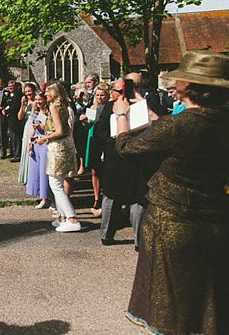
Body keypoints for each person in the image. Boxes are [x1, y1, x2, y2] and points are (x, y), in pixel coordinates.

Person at [113, 51, 229, 335]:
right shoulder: (219, 122)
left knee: (172, 305)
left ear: (190, 87)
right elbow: (177, 131)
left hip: (172, 223)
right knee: (208, 300)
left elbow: (127, 148)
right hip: (216, 219)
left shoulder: (177, 126)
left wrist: (121, 118)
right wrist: (151, 113)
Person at [95, 78, 145, 250]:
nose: (114, 94)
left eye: (116, 91)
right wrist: (112, 142)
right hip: (115, 158)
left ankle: (139, 240)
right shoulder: (109, 107)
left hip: (136, 158)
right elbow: (100, 131)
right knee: (110, 195)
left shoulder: (142, 105)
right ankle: (106, 235)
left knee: (137, 198)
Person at [37, 81, 81, 232]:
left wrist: (44, 138)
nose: (45, 94)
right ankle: (62, 217)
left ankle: (72, 218)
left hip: (58, 148)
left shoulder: (54, 106)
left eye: (48, 92)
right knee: (59, 183)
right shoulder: (64, 106)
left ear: (54, 93)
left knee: (55, 184)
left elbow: (59, 131)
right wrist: (43, 128)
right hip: (66, 146)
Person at [80, 82, 110, 215]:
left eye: (102, 95)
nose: (99, 97)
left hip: (105, 140)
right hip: (93, 140)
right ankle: (96, 197)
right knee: (94, 171)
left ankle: (106, 197)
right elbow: (89, 125)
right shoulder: (92, 108)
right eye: (97, 95)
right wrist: (84, 121)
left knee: (106, 171)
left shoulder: (111, 108)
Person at [26, 91, 51, 208]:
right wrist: (29, 144)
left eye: (40, 99)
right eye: (36, 100)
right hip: (36, 143)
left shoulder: (49, 112)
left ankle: (47, 197)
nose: (38, 102)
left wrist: (40, 126)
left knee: (44, 171)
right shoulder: (35, 112)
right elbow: (31, 129)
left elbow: (51, 129)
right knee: (36, 171)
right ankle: (41, 196)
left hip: (45, 142)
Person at [17, 83, 37, 183]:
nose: (28, 93)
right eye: (26, 92)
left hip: (36, 127)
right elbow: (20, 117)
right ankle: (27, 176)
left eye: (29, 91)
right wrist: (22, 105)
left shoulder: (38, 101)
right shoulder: (25, 102)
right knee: (26, 149)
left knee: (34, 150)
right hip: (27, 126)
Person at [5, 81, 24, 162]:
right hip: (10, 119)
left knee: (16, 136)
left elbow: (15, 106)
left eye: (12, 86)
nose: (10, 87)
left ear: (15, 86)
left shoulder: (18, 95)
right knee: (12, 136)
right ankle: (13, 152)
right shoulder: (10, 95)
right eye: (9, 86)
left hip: (15, 119)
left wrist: (6, 110)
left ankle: (17, 154)